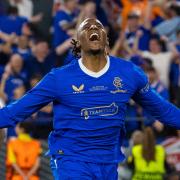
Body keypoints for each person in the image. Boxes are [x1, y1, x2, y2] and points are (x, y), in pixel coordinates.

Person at [0, 18, 179, 179]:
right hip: (71, 160)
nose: (93, 27)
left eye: (98, 27)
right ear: (78, 43)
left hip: (108, 161)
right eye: (86, 27)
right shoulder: (59, 78)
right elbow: (17, 110)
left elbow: (163, 110)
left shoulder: (129, 73)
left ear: (106, 39)